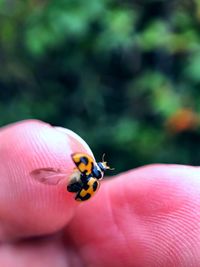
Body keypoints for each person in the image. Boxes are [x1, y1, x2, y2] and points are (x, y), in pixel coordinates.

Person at [0, 120, 199, 267]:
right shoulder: (95, 181)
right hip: (71, 189)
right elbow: (80, 191)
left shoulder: (87, 170)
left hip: (69, 182)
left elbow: (75, 162)